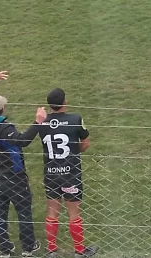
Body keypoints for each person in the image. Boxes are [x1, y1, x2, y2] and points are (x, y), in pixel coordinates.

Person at [0, 70, 46, 258]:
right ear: (2, 110)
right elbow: (23, 141)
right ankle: (28, 247)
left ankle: (5, 249)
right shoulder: (4, 129)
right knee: (23, 211)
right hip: (14, 176)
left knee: (0, 212)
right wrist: (38, 122)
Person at [38, 88, 98, 257]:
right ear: (64, 102)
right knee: (74, 213)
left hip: (50, 173)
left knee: (52, 212)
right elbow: (86, 144)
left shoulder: (41, 122)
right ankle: (79, 251)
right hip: (71, 173)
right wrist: (73, 150)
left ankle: (51, 250)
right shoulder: (75, 119)